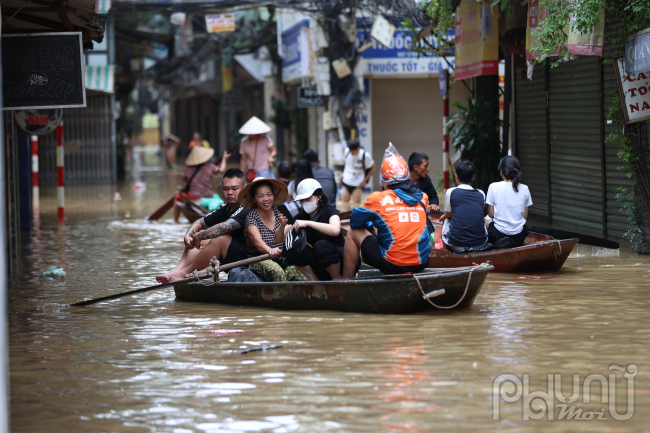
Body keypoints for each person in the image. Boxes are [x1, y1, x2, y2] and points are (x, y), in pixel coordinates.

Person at [342, 143, 431, 278]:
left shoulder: (378, 198)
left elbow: (354, 221)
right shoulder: (423, 198)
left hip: (393, 265)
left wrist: (370, 226)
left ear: (384, 181)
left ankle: (345, 282)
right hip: (422, 263)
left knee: (353, 232)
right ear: (407, 177)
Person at [156, 169, 249, 283]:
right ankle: (178, 270)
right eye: (226, 189)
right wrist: (189, 235)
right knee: (202, 234)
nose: (230, 192)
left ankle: (185, 273)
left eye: (235, 189)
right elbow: (200, 222)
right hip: (230, 257)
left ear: (244, 188)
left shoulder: (246, 208)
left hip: (247, 261)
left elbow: (224, 227)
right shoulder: (225, 208)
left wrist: (200, 236)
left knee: (219, 237)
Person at [275, 179, 346, 281]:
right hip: (321, 263)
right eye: (302, 200)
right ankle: (315, 280)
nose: (304, 202)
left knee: (321, 245)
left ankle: (336, 279)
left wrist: (308, 223)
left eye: (308, 198)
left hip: (342, 261)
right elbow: (278, 240)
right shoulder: (301, 217)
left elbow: (335, 230)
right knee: (292, 247)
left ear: (318, 196)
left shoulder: (329, 211)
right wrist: (282, 226)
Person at [240, 177, 308, 282]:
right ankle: (281, 298)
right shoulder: (252, 217)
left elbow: (288, 235)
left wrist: (284, 227)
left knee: (301, 274)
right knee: (277, 271)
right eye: (260, 196)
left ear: (273, 195)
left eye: (269, 195)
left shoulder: (280, 212)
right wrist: (269, 250)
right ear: (254, 199)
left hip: (282, 259)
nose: (266, 199)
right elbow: (256, 241)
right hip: (259, 260)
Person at [439, 161, 488, 252]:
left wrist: (445, 215)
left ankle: (445, 252)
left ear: (456, 176)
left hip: (456, 245)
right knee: (484, 220)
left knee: (447, 219)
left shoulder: (451, 192)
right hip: (479, 244)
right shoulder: (481, 193)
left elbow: (449, 214)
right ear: (473, 177)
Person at [485, 156, 533, 248]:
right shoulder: (525, 188)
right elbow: (525, 216)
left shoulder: (493, 187)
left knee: (486, 220)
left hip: (498, 234)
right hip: (519, 236)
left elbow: (491, 214)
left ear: (501, 172)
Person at [174, 145, 230, 223]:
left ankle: (176, 221)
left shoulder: (188, 169)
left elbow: (185, 181)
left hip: (195, 198)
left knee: (177, 198)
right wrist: (224, 159)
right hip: (209, 196)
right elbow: (222, 171)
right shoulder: (211, 167)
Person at [239, 116, 277, 181]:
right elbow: (244, 159)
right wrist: (240, 174)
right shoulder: (244, 142)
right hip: (252, 172)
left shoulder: (265, 139)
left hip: (265, 170)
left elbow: (274, 151)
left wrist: (271, 156)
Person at [340, 140, 375, 209]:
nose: (351, 153)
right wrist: (343, 173)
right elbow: (347, 164)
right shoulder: (347, 152)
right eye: (350, 151)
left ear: (358, 149)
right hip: (346, 181)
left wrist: (365, 180)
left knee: (356, 206)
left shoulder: (365, 155)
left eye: (353, 151)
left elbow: (373, 168)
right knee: (344, 205)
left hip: (357, 184)